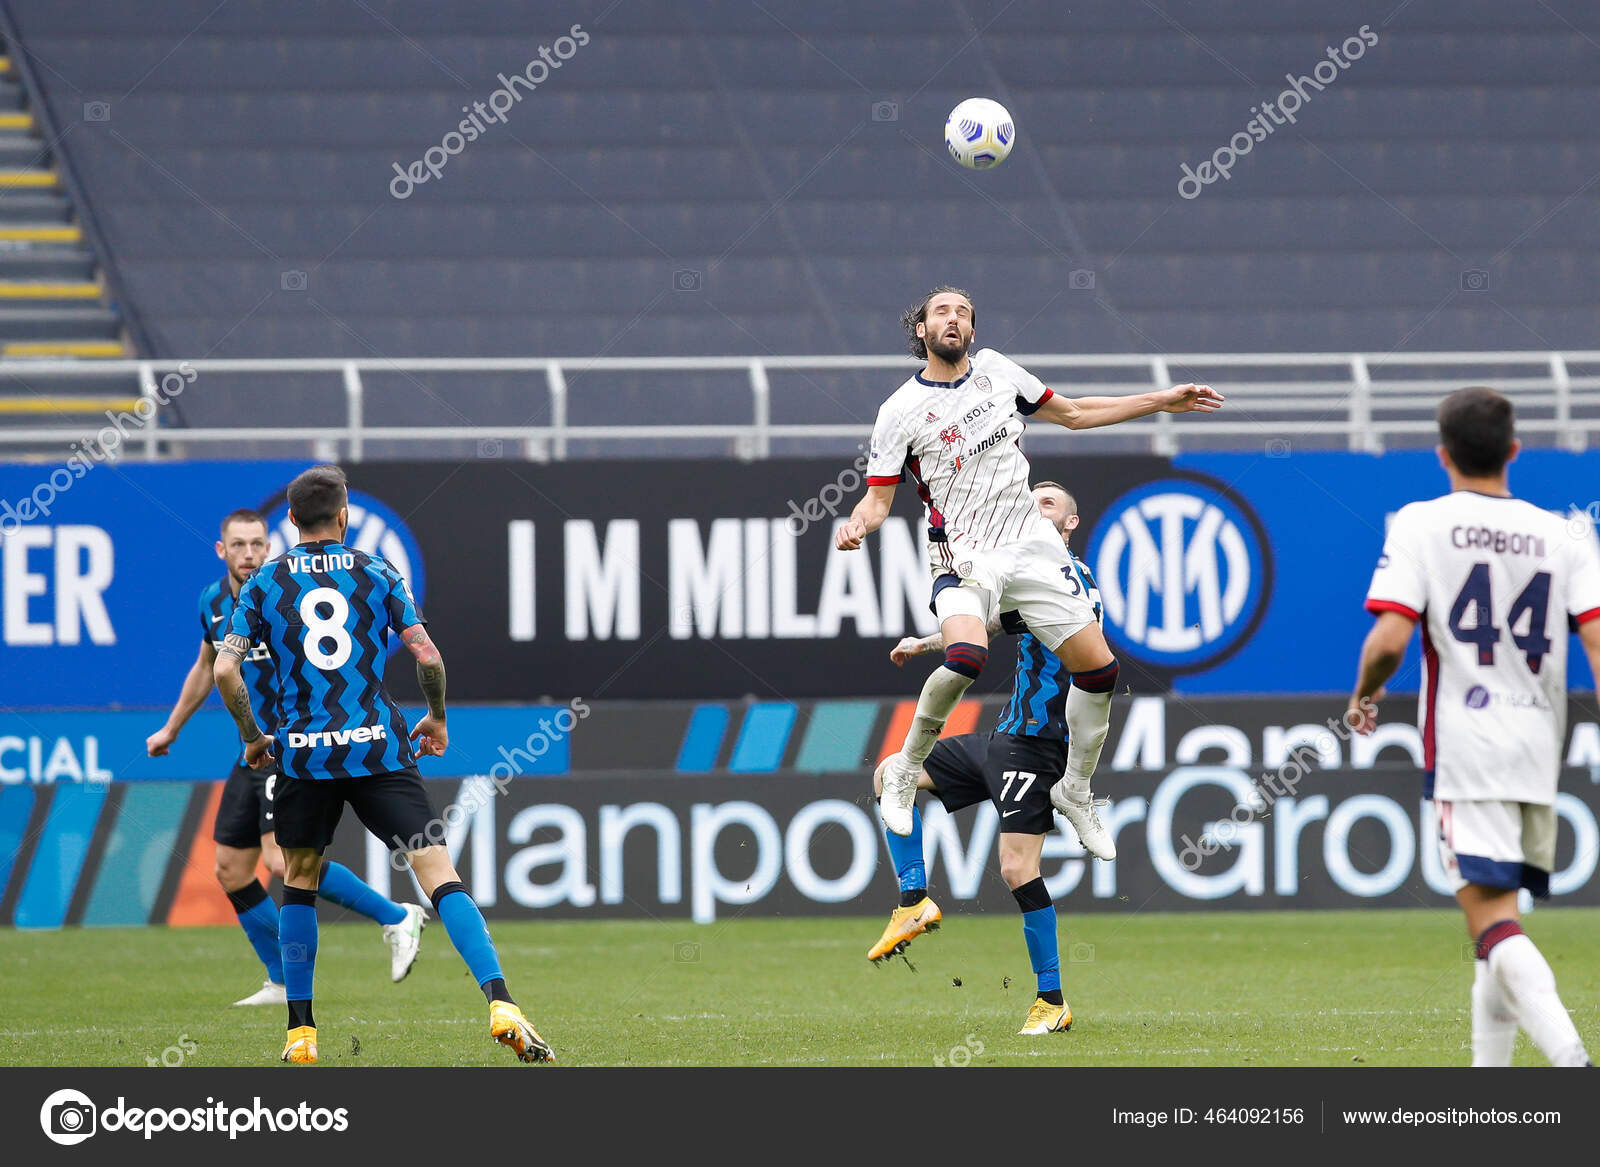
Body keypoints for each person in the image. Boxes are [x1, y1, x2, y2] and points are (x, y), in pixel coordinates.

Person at [836, 286, 1222, 858]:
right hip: (964, 553)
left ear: (972, 330)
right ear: (921, 330)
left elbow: (1072, 413)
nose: (954, 319)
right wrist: (856, 525)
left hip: (1031, 545)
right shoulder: (899, 412)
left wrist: (1161, 400)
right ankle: (904, 770)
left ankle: (1075, 788)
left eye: (964, 313)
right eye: (941, 311)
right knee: (966, 658)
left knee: (1100, 672)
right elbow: (877, 501)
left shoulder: (995, 371)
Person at [214, 465, 553, 1065]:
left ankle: (301, 1034)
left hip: (304, 754)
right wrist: (438, 717)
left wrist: (251, 736)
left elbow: (224, 669)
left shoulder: (266, 582)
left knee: (299, 880)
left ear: (290, 522)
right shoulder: (377, 571)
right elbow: (427, 654)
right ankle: (501, 1002)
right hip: (379, 748)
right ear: (343, 516)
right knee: (438, 873)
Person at [1350, 386, 1600, 1067]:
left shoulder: (1420, 523)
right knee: (1496, 922)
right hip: (1539, 750)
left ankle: (1574, 1063)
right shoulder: (1567, 532)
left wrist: (1364, 693)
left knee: (1492, 923)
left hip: (1469, 747)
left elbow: (1391, 640)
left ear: (1442, 453)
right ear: (1514, 450)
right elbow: (1598, 643)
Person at [147, 508, 425, 1006]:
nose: (249, 554)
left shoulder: (280, 598)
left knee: (281, 861)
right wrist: (171, 728)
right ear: (222, 549)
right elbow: (207, 668)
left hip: (291, 745)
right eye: (239, 545)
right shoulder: (212, 602)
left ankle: (395, 916)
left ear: (269, 546)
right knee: (231, 868)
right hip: (248, 749)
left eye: (257, 544)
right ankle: (279, 979)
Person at [869, 482, 1103, 1036]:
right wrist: (929, 643)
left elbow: (1004, 619)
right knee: (889, 774)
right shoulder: (1025, 573)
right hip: (1003, 739)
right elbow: (988, 620)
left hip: (1039, 747)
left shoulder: (1075, 583)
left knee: (1017, 869)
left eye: (1048, 504)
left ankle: (1052, 1001)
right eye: (1031, 501)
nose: (1035, 509)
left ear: (1070, 524)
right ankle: (914, 901)